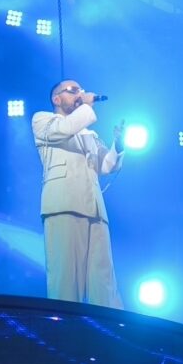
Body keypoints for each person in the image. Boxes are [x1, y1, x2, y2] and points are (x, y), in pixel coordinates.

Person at [32, 79, 121, 307]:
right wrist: (87, 106)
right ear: (57, 98)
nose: (79, 94)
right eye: (72, 91)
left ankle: (110, 331)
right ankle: (63, 332)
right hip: (64, 204)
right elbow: (64, 129)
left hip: (94, 207)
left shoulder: (88, 133)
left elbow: (105, 165)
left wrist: (118, 146)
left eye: (81, 90)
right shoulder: (43, 120)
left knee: (103, 281)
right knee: (66, 281)